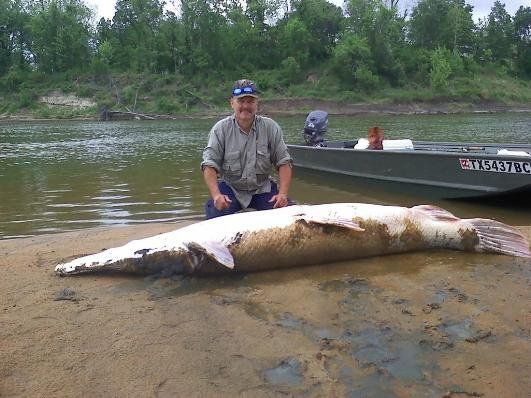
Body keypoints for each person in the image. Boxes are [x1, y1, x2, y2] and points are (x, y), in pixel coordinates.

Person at [201, 79, 294, 219]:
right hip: (231, 188)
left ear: (257, 104)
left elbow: (284, 162)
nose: (245, 106)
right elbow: (209, 165)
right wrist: (216, 195)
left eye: (250, 101)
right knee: (215, 211)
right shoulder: (220, 129)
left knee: (288, 214)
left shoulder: (271, 127)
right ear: (232, 103)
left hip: (262, 188)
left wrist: (283, 194)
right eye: (241, 101)